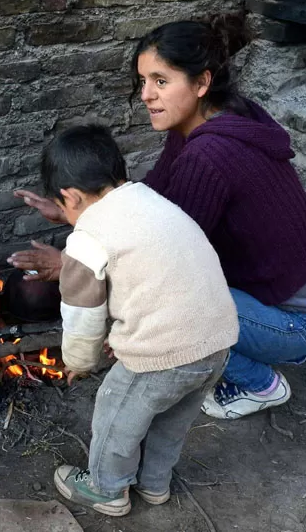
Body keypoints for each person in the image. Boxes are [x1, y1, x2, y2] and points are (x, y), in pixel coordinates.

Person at [11, 17, 306, 420]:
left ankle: (259, 383)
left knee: (168, 302)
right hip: (273, 301)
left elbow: (160, 262)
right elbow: (146, 202)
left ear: (201, 83)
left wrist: (71, 267)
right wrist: (71, 213)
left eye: (161, 82)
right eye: (144, 81)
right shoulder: (209, 123)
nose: (147, 95)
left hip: (295, 325)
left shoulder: (211, 154)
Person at [42, 125, 237, 517]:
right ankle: (154, 485)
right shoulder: (149, 199)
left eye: (62, 208)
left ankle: (106, 489)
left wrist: (79, 362)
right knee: (172, 421)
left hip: (164, 350)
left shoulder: (87, 238)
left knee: (117, 413)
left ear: (70, 196)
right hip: (218, 339)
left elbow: (83, 313)